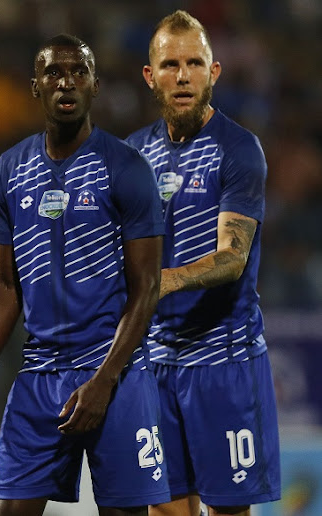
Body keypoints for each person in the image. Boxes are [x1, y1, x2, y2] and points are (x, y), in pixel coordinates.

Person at [0, 34, 169, 516]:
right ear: (34, 87)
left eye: (78, 72)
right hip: (39, 377)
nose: (67, 82)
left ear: (95, 85)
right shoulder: (9, 169)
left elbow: (147, 287)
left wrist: (104, 380)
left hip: (116, 377)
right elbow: (7, 285)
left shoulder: (126, 168)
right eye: (54, 73)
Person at [125, 10, 281, 516]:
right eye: (171, 64)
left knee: (228, 511)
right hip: (155, 366)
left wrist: (160, 282)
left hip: (225, 366)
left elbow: (233, 258)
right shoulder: (132, 156)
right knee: (164, 509)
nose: (184, 75)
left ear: (215, 72)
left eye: (196, 63)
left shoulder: (238, 150)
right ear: (151, 76)